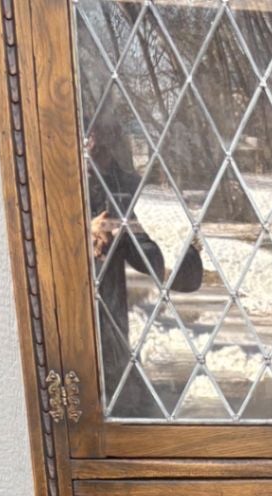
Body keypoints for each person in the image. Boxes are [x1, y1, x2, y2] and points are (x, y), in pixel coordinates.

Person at [86, 119, 203, 418]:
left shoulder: (117, 187)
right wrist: (86, 233)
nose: (97, 151)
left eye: (105, 146)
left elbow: (140, 246)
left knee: (126, 403)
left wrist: (173, 265)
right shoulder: (65, 185)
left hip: (109, 311)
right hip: (74, 318)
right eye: (93, 146)